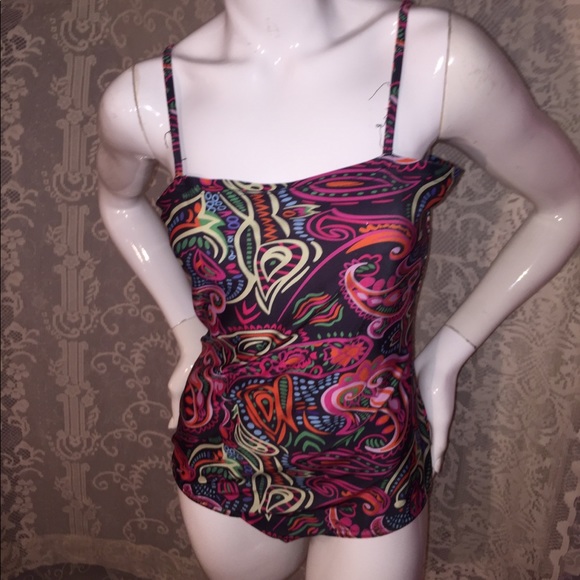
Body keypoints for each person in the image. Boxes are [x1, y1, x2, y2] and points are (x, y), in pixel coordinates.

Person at [96, 1, 580, 578]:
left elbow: (567, 202)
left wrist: (449, 353)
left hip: (375, 446)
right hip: (226, 443)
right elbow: (120, 202)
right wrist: (186, 332)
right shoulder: (145, 99)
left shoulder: (431, 56)